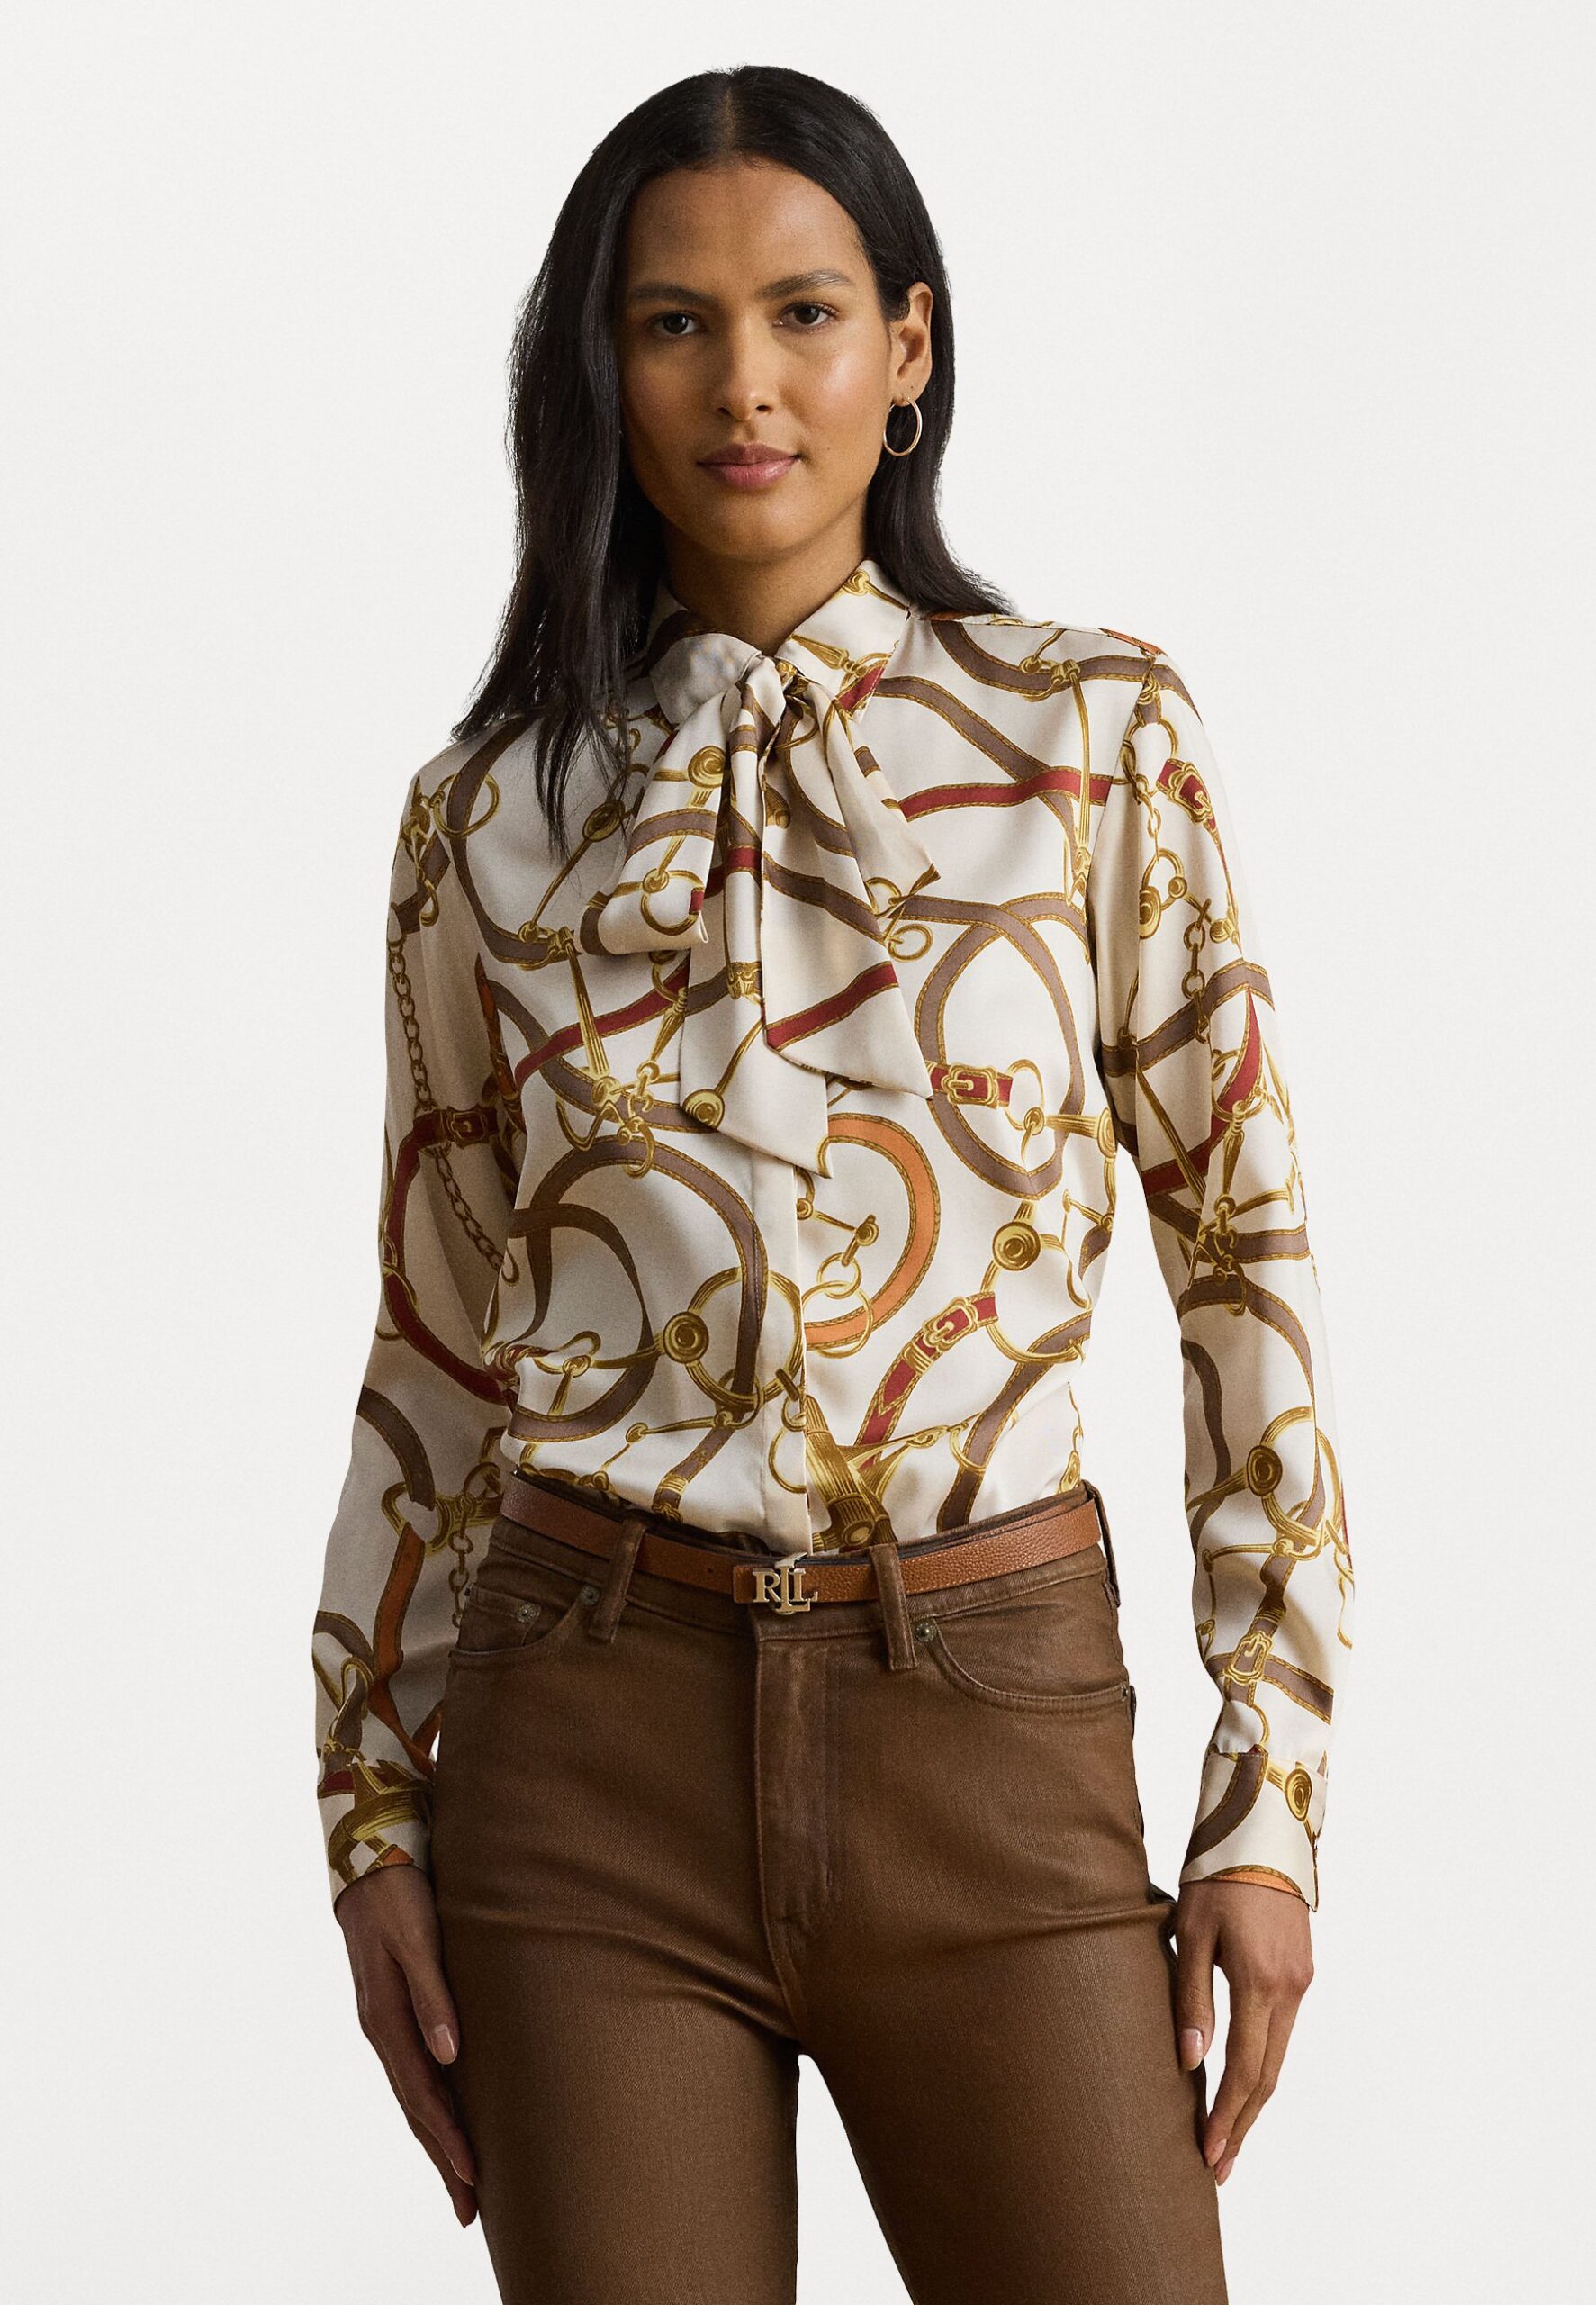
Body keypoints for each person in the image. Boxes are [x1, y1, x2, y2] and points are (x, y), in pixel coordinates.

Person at [311, 61, 1353, 2305]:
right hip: (584, 1743)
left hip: (987, 1717)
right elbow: (437, 1331)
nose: (743, 386)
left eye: (800, 312)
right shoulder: (485, 820)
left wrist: (1265, 1791)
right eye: (671, 324)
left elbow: (1239, 1255)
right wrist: (367, 1796)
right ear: (597, 371)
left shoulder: (1088, 734)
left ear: (908, 345)